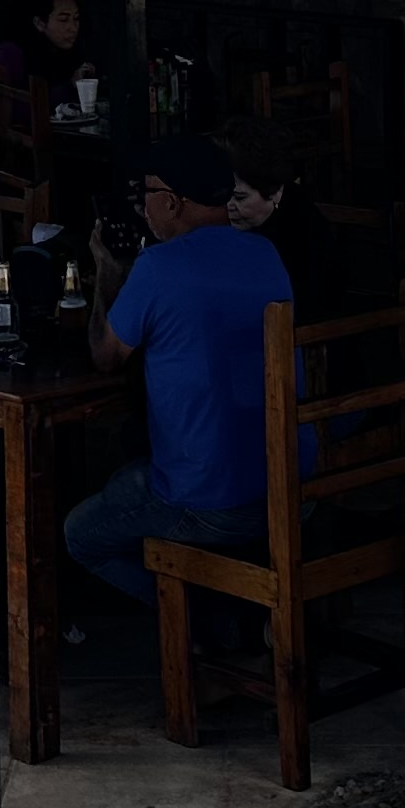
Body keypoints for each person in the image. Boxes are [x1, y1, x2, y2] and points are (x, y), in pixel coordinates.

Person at [61, 130, 295, 607]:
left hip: (212, 498)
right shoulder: (265, 252)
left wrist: (105, 271)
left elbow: (106, 358)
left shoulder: (159, 266)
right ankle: (228, 604)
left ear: (171, 202)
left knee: (80, 533)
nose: (142, 208)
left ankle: (206, 613)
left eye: (146, 194)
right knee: (127, 477)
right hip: (289, 483)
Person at [217, 115, 335, 303]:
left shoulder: (304, 235)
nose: (228, 205)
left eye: (240, 197)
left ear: (275, 192)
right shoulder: (226, 220)